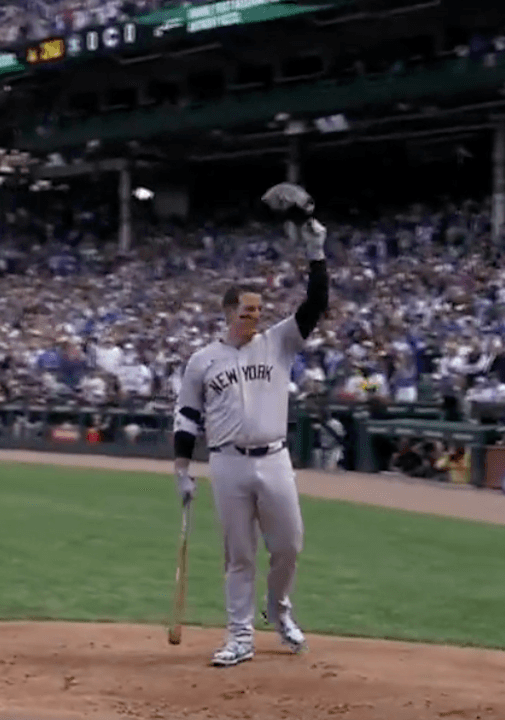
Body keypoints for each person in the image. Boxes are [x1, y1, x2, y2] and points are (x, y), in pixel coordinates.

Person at [172, 182, 329, 668]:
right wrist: (182, 468)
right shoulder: (203, 360)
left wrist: (317, 254)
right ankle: (239, 636)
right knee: (239, 555)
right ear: (227, 313)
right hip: (227, 464)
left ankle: (278, 611)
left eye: (259, 311)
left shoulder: (277, 342)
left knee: (289, 545)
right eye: (247, 312)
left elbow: (315, 306)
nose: (255, 318)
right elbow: (187, 414)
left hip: (275, 458)